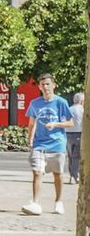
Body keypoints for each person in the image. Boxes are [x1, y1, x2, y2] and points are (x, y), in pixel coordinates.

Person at [22, 74, 74, 215]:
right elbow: (31, 123)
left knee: (58, 175)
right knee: (37, 172)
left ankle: (58, 201)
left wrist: (56, 124)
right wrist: (30, 140)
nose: (45, 87)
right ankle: (36, 203)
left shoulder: (61, 102)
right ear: (39, 87)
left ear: (53, 85)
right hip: (39, 144)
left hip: (57, 144)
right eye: (43, 85)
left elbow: (71, 122)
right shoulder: (35, 103)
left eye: (48, 84)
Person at [67, 90, 84, 186]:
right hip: (78, 134)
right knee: (76, 157)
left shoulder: (69, 109)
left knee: (70, 157)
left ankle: (72, 175)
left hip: (67, 134)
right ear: (81, 101)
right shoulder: (82, 110)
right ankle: (74, 176)